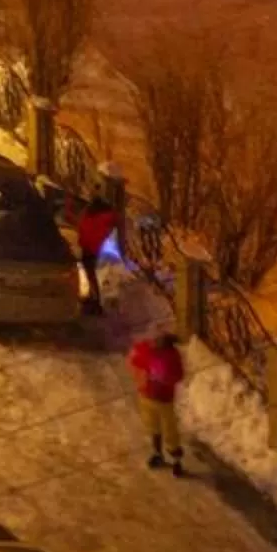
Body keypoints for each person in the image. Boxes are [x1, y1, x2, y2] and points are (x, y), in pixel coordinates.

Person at [129, 328, 187, 473]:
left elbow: (177, 375)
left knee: (169, 430)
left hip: (163, 400)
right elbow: (136, 360)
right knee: (153, 427)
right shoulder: (150, 351)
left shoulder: (171, 356)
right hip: (147, 396)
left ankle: (176, 459)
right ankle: (157, 453)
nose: (153, 342)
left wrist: (164, 377)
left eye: (157, 340)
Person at [74, 186, 122, 314]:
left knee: (91, 276)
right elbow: (115, 225)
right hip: (101, 250)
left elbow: (82, 231)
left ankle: (94, 301)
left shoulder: (88, 216)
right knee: (99, 277)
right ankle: (98, 301)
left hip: (88, 249)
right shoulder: (109, 216)